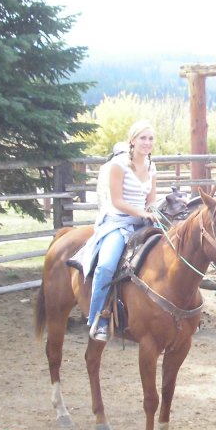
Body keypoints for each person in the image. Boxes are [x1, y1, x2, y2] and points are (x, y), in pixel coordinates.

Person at [76, 121, 158, 342]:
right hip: (117, 223)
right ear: (132, 140)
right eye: (143, 138)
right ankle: (98, 319)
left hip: (143, 222)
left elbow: (150, 200)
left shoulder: (152, 166)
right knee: (106, 266)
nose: (147, 143)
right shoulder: (118, 165)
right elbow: (117, 201)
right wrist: (142, 213)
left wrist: (152, 211)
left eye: (150, 139)